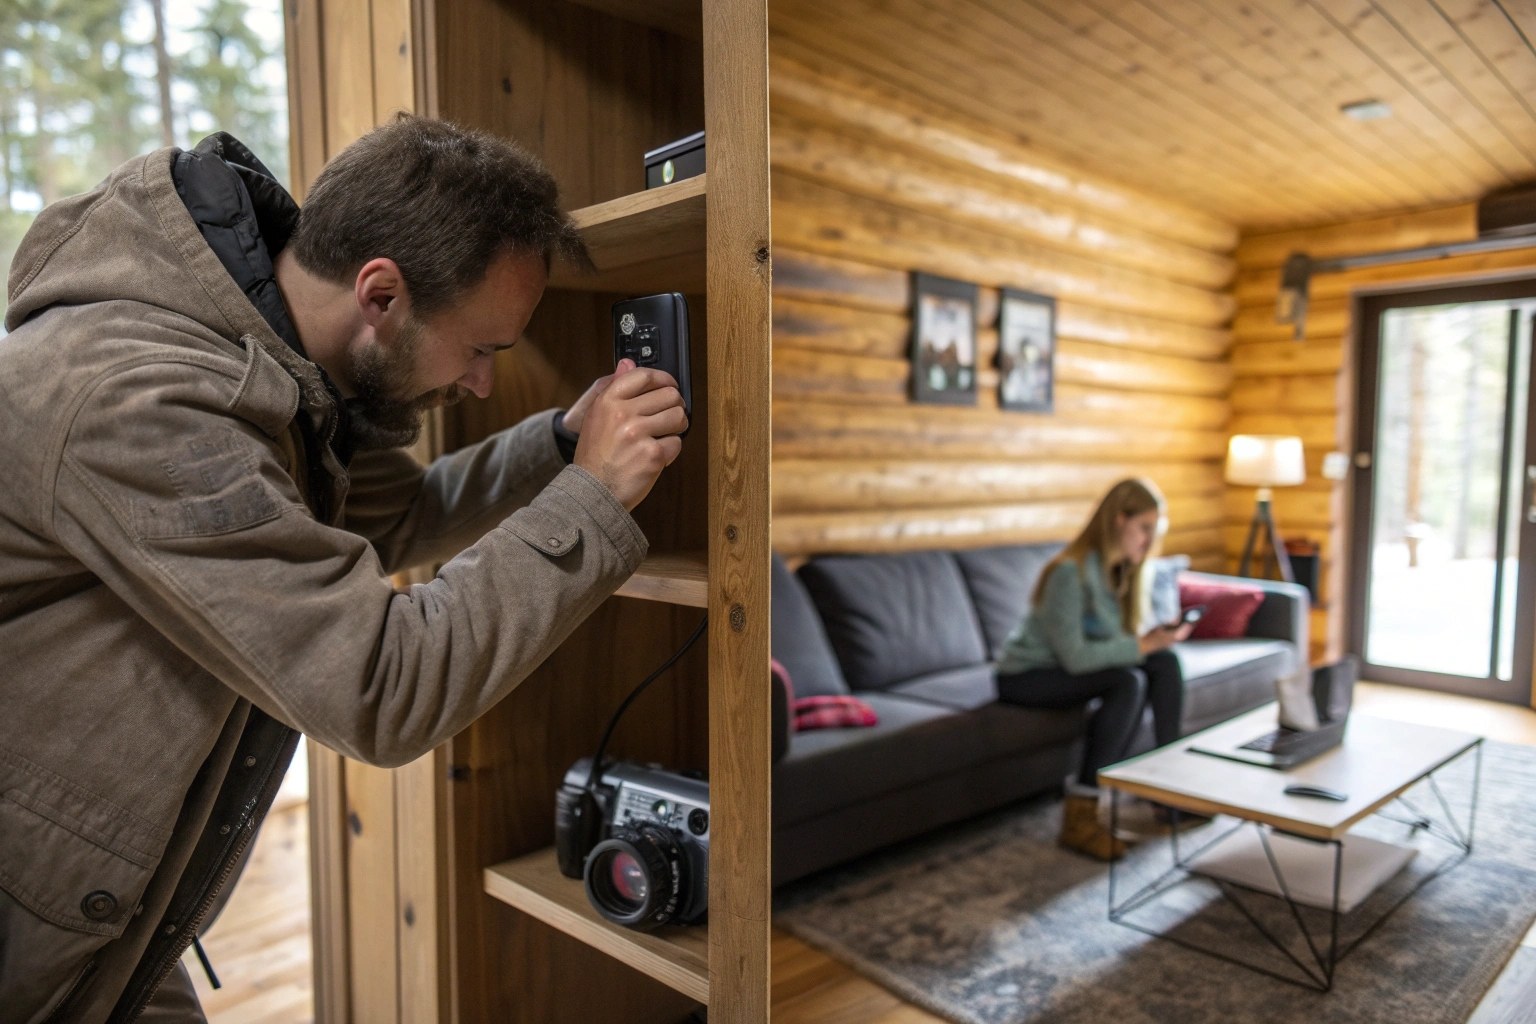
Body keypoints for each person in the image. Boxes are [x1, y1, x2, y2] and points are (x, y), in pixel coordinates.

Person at [0, 117, 688, 1023]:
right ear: (381, 293)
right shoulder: (143, 404)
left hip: (99, 913)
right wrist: (594, 500)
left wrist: (564, 445)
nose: (482, 383)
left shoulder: (272, 371)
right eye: (481, 348)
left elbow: (399, 517)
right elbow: (381, 685)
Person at [993, 478, 1191, 861]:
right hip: (1026, 676)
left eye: (1155, 531)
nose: (1149, 542)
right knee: (1127, 681)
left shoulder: (1121, 572)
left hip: (1064, 669)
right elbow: (1077, 659)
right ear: (1119, 520)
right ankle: (1081, 818)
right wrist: (1139, 646)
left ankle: (1167, 789)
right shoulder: (1069, 572)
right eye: (1144, 529)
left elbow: (1115, 643)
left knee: (1164, 663)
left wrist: (1150, 642)